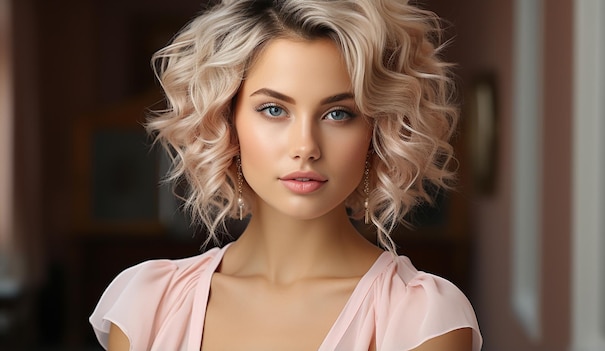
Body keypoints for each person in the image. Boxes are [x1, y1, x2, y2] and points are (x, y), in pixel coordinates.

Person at [89, 0, 482, 350]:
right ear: (227, 120)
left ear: (376, 132)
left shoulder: (422, 321)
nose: (306, 145)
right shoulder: (149, 305)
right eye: (274, 110)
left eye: (338, 114)